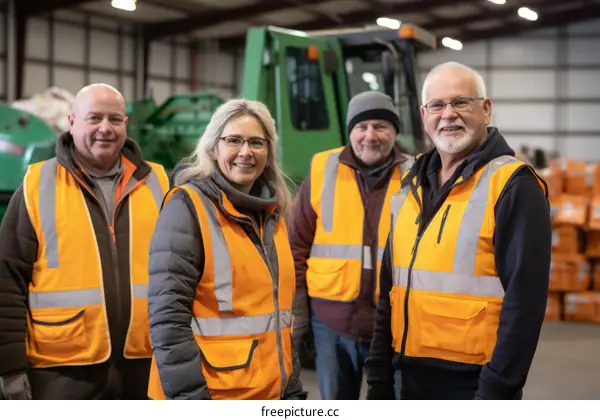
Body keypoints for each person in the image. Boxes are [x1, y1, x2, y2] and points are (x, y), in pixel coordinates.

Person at [365, 61, 551, 400]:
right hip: (407, 376)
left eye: (461, 102)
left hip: (474, 384)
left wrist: (496, 390)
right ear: (424, 115)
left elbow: (525, 304)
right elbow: (389, 290)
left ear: (486, 109)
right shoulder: (409, 188)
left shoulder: (513, 186)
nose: (448, 114)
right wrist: (378, 375)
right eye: (437, 105)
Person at [0, 83, 169, 399]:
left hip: (145, 364)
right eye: (94, 118)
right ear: (72, 122)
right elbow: (7, 280)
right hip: (60, 370)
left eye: (114, 119)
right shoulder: (38, 184)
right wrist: (10, 367)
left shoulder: (157, 183)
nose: (105, 128)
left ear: (125, 124)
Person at [146, 98, 306, 400]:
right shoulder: (187, 206)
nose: (245, 152)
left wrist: (291, 388)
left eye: (257, 143)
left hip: (267, 393)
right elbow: (167, 319)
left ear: (269, 152)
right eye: (234, 140)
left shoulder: (274, 214)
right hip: (211, 394)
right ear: (213, 147)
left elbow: (279, 316)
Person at [288, 91, 414, 400]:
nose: (370, 135)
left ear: (394, 132)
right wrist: (298, 317)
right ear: (350, 131)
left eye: (381, 126)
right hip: (332, 325)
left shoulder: (417, 175)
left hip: (394, 328)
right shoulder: (322, 168)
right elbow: (295, 247)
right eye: (362, 126)